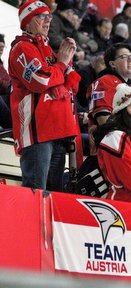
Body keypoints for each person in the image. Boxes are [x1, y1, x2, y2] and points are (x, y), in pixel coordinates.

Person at [9, 0, 80, 191]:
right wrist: (62, 64)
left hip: (59, 130)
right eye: (42, 17)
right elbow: (40, 81)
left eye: (49, 17)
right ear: (28, 21)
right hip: (37, 133)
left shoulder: (48, 49)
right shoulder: (21, 48)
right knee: (35, 192)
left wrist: (68, 58)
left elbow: (72, 85)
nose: (48, 21)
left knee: (54, 195)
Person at [88, 43, 131, 127]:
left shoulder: (129, 86)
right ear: (112, 64)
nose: (130, 60)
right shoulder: (105, 82)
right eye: (124, 57)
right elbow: (103, 120)